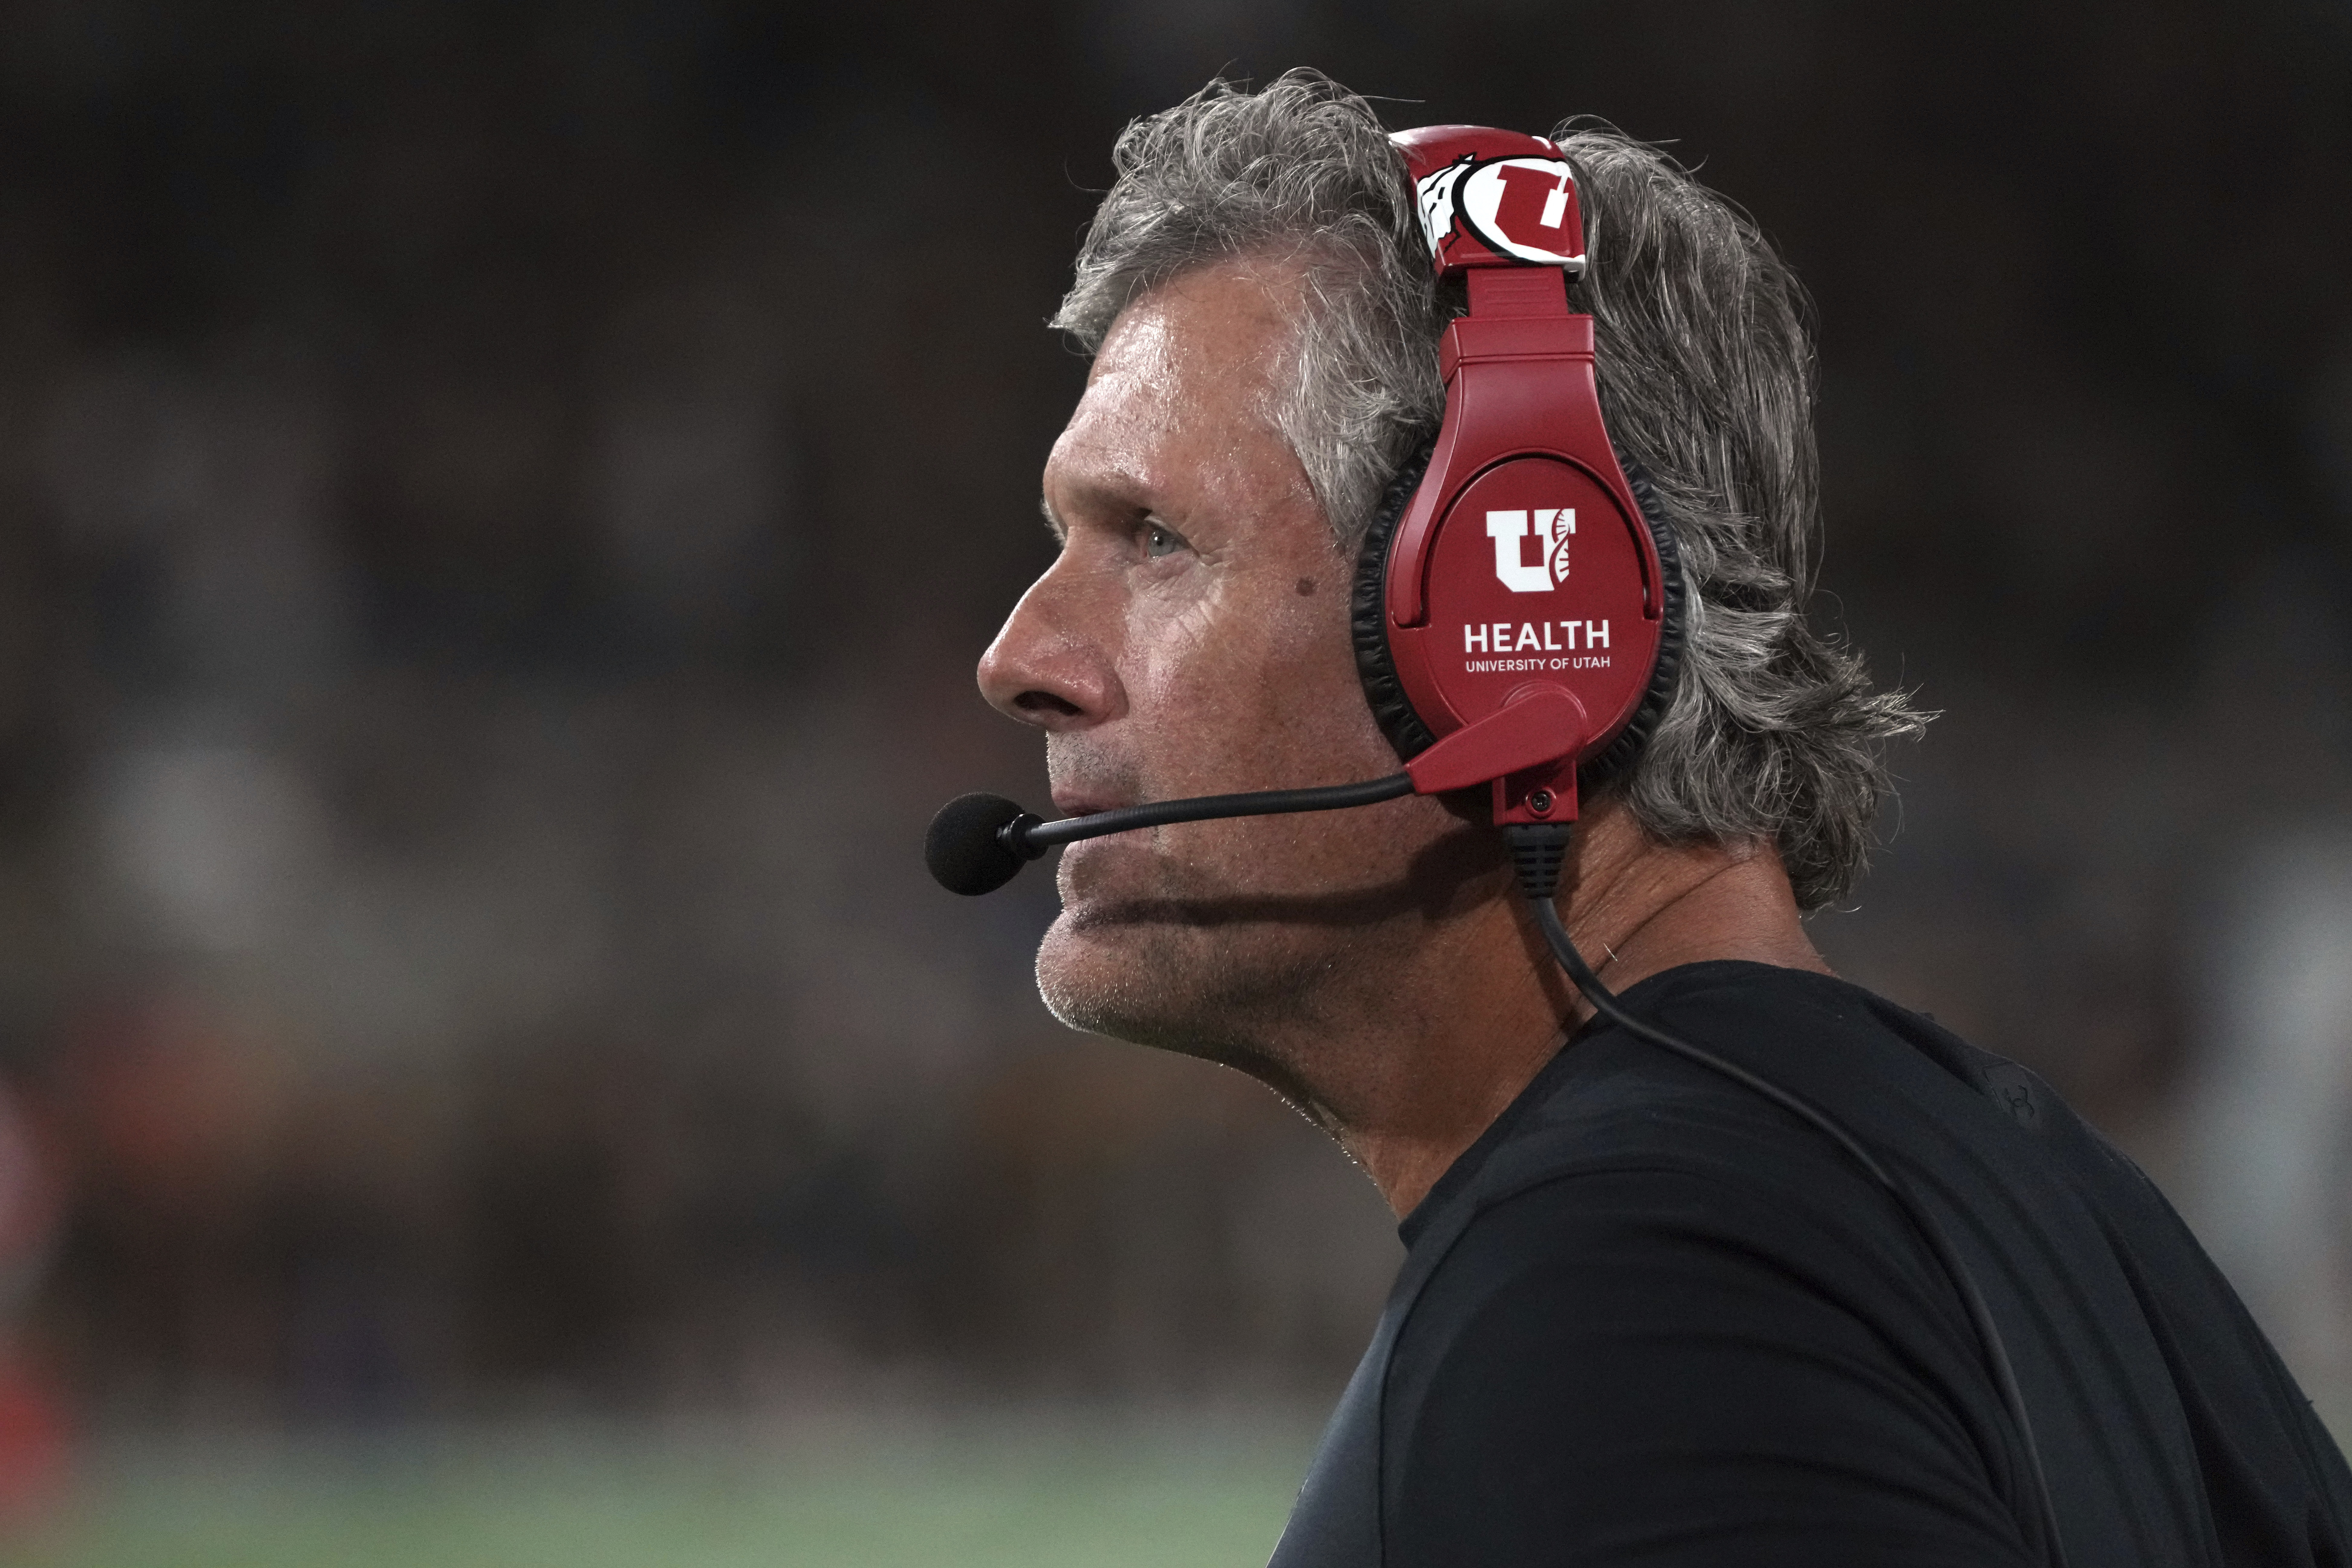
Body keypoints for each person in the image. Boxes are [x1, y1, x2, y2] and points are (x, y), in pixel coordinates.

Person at [965, 70, 2352, 1564]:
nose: (1020, 657)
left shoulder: (1637, 1299)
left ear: (1506, 616)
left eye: (1155, 538)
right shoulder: (2035, 1200)